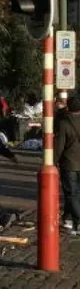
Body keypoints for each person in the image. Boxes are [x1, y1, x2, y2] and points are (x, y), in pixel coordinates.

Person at [56, 97, 80, 234]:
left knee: (71, 194)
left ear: (68, 107)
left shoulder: (64, 123)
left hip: (69, 163)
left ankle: (77, 220)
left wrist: (52, 162)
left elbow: (59, 146)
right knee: (78, 193)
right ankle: (70, 219)